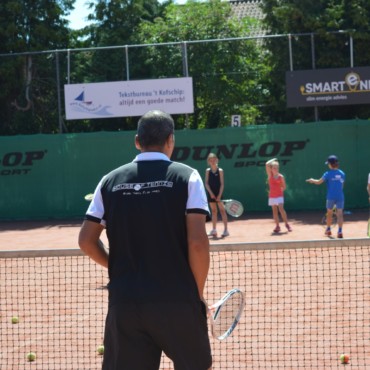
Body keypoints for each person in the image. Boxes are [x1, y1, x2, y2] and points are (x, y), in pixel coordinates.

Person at [78, 110, 212, 370]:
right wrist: (195, 294)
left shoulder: (109, 180)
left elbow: (86, 240)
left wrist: (116, 266)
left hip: (126, 301)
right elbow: (198, 242)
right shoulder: (188, 177)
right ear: (171, 140)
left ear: (137, 141)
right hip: (177, 299)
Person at [306, 154, 345, 238]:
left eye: (328, 163)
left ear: (331, 164)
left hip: (330, 197)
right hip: (340, 196)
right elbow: (342, 186)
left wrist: (312, 180)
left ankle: (328, 230)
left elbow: (319, 182)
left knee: (329, 213)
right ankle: (340, 231)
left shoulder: (327, 174)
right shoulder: (342, 174)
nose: (328, 165)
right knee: (340, 214)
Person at [204, 153, 229, 238]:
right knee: (214, 211)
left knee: (222, 211)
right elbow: (206, 183)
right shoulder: (207, 171)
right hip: (211, 194)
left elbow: (222, 184)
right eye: (211, 160)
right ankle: (214, 230)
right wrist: (211, 193)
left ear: (217, 160)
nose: (213, 161)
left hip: (219, 193)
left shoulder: (220, 170)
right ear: (208, 162)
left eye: (214, 159)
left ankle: (226, 230)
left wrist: (219, 195)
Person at [265, 158, 292, 233]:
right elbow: (267, 164)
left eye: (277, 168)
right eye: (274, 168)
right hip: (272, 196)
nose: (275, 169)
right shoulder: (270, 175)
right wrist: (273, 159)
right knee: (274, 211)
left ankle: (287, 224)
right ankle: (277, 226)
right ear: (271, 169)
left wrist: (280, 190)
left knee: (281, 208)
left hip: (279, 195)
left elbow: (284, 186)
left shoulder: (281, 177)